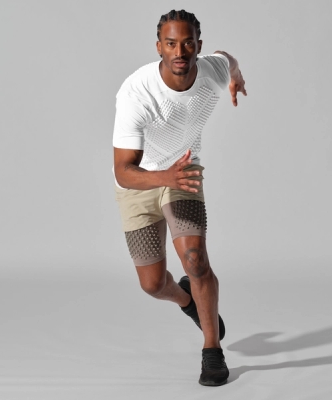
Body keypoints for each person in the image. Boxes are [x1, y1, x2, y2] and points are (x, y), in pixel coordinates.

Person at [112, 9, 246, 386]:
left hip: (183, 173)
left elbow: (228, 59)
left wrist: (236, 76)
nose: (180, 51)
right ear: (159, 47)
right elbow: (123, 170)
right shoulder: (136, 93)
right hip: (139, 182)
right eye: (171, 44)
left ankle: (212, 350)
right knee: (153, 284)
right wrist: (162, 177)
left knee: (195, 260)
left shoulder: (211, 70)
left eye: (188, 43)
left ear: (198, 46)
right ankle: (186, 300)